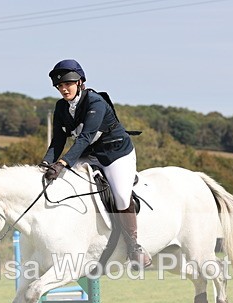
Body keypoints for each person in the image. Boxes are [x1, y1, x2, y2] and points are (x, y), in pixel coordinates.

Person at [41, 59, 151, 269]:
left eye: (67, 84)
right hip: (90, 154)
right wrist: (46, 163)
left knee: (120, 195)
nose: (63, 89)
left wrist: (63, 162)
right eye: (60, 86)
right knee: (63, 183)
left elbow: (84, 138)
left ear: (80, 82)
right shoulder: (61, 107)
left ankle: (134, 245)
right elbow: (58, 140)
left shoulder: (95, 102)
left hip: (116, 154)